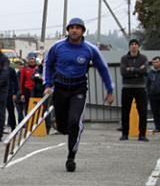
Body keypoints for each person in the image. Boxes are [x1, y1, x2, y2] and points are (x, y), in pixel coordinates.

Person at [43, 18, 114, 172]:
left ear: (83, 31)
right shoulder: (57, 47)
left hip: (78, 89)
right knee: (63, 126)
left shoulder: (90, 49)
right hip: (60, 88)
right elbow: (47, 64)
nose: (74, 30)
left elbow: (103, 68)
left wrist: (110, 90)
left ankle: (71, 156)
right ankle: (65, 126)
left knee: (74, 121)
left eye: (78, 28)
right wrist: (47, 84)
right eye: (72, 28)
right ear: (68, 30)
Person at [119, 39, 149, 141]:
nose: (134, 46)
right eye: (132, 44)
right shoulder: (124, 58)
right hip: (127, 88)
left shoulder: (143, 58)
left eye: (135, 44)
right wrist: (138, 70)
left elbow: (145, 71)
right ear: (129, 47)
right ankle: (124, 134)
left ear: (138, 46)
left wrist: (131, 69)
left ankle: (142, 135)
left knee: (143, 111)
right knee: (125, 112)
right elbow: (123, 72)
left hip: (140, 88)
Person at [18, 53, 38, 118]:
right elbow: (21, 82)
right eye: (30, 59)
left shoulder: (38, 68)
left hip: (36, 91)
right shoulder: (25, 69)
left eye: (33, 59)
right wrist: (22, 94)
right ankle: (27, 123)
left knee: (36, 107)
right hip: (27, 90)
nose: (32, 61)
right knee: (27, 107)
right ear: (28, 60)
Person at [147, 56, 160, 133]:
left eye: (157, 62)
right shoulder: (150, 73)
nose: (155, 64)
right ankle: (158, 127)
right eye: (153, 62)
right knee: (155, 112)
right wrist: (149, 93)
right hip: (153, 96)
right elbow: (147, 84)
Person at [6, 66, 19, 131]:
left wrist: (15, 93)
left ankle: (13, 127)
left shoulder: (11, 69)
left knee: (11, 111)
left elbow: (15, 82)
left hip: (9, 93)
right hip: (0, 93)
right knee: (0, 112)